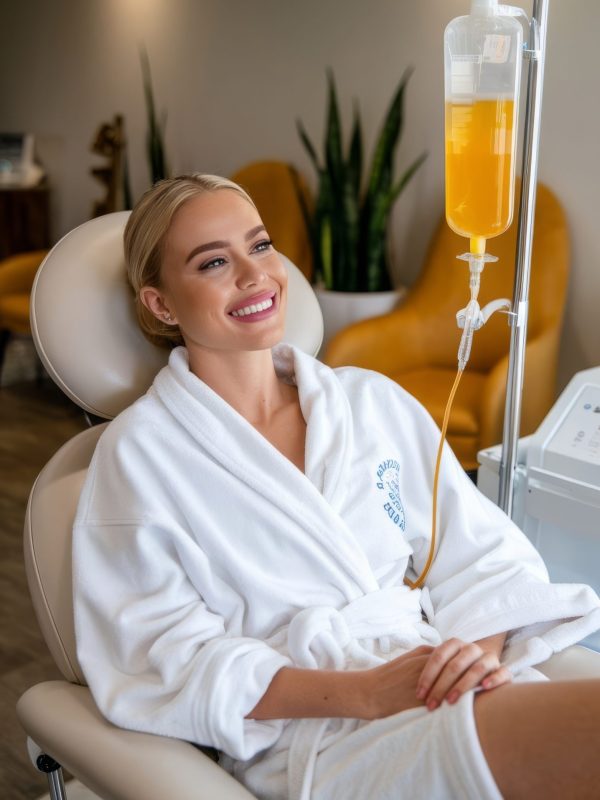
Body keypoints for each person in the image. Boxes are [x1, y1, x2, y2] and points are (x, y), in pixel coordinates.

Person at [73, 173, 600, 800]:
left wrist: (467, 661)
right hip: (317, 737)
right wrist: (366, 694)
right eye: (214, 262)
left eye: (261, 246)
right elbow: (165, 658)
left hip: (440, 680)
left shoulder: (369, 403)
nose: (254, 275)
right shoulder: (139, 454)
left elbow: (482, 558)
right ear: (160, 304)